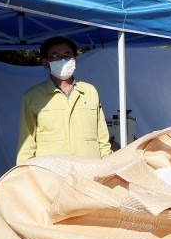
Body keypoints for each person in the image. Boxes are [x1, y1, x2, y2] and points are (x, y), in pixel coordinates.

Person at [16, 36, 112, 164]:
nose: (63, 60)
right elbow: (26, 144)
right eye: (55, 56)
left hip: (88, 170)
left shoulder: (89, 91)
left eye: (67, 55)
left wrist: (109, 166)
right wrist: (25, 173)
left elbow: (103, 138)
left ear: (75, 60)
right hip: (52, 174)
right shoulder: (33, 96)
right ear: (45, 63)